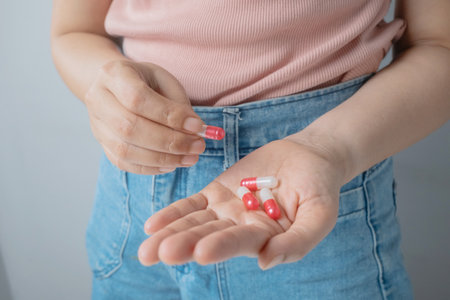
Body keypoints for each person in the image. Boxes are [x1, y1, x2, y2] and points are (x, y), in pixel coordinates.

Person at [51, 0, 449, 299]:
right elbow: (74, 31)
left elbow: (440, 44)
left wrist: (327, 148)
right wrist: (109, 93)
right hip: (134, 204)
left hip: (317, 200)